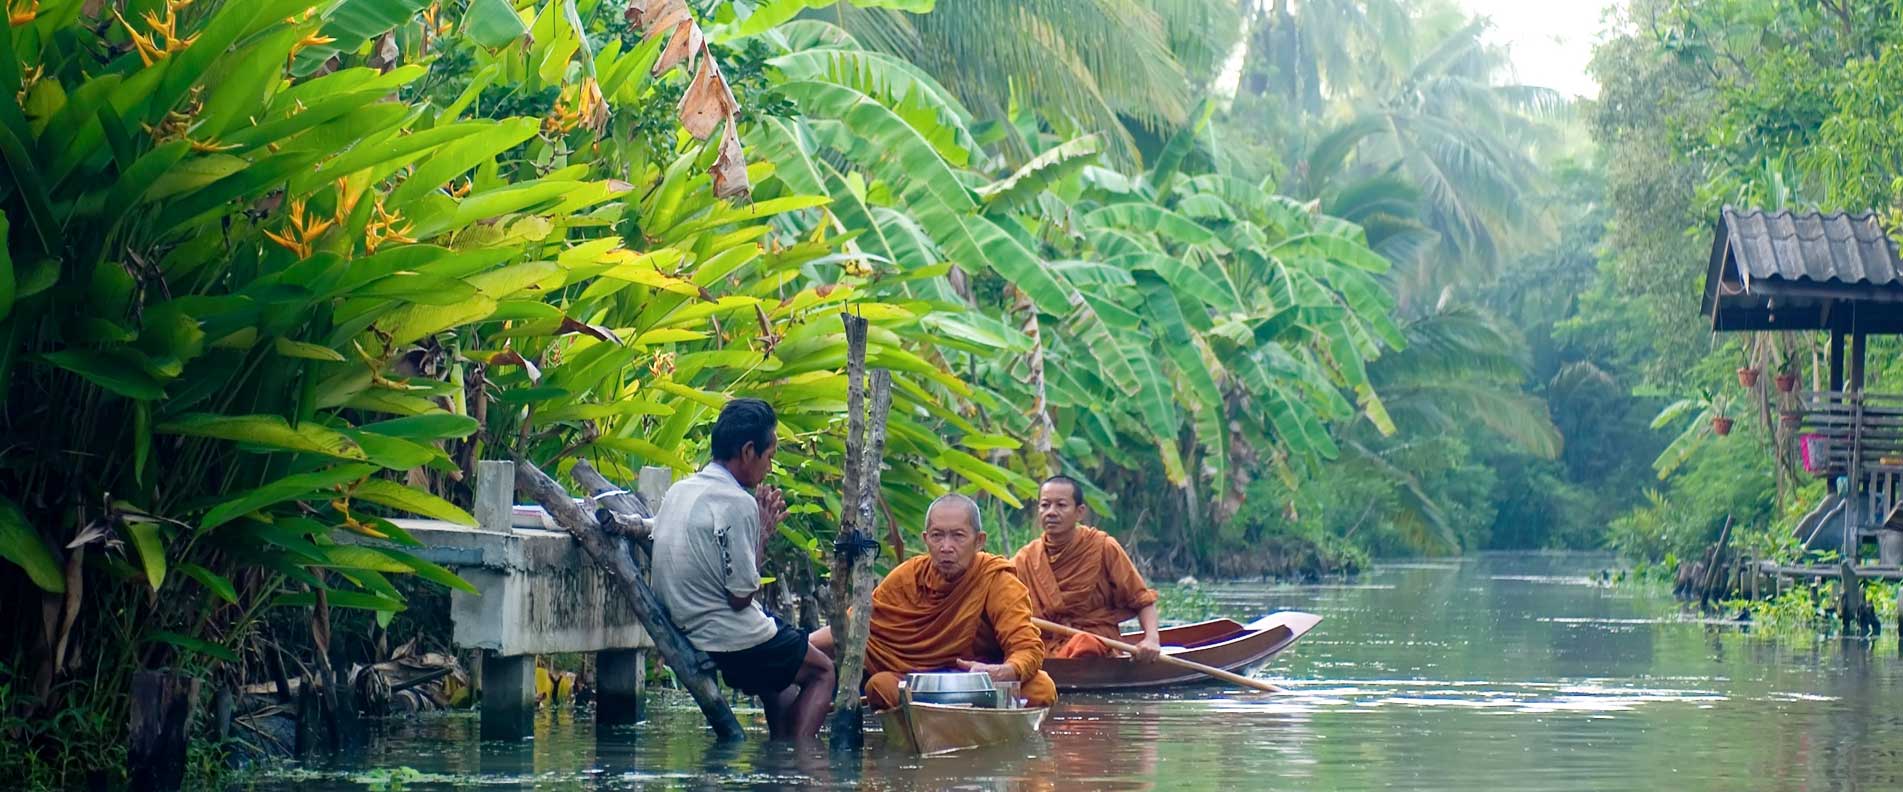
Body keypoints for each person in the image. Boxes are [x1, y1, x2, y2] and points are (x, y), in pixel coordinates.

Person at [651, 398, 835, 740]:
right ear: (749, 451)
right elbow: (740, 596)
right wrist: (762, 534)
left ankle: (779, 761)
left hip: (686, 625)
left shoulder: (680, 489)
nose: (769, 467)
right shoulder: (737, 503)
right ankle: (798, 760)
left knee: (778, 685)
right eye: (769, 456)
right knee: (823, 672)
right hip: (726, 636)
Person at [813, 493, 1057, 710]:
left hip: (981, 685)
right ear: (925, 538)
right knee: (880, 686)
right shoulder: (908, 576)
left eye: (958, 536)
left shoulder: (996, 579)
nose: (946, 547)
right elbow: (859, 622)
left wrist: (1005, 671)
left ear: (979, 540)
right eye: (937, 536)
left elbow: (1026, 646)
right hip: (922, 684)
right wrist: (801, 647)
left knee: (1042, 688)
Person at [1011, 475, 1162, 661]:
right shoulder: (1026, 558)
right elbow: (1001, 601)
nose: (1051, 512)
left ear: (1080, 512)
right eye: (1045, 505)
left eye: (1061, 505)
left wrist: (1152, 640)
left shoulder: (1102, 547)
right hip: (1045, 645)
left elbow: (1141, 599)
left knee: (1084, 643)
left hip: (1096, 642)